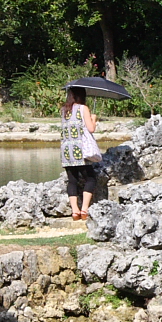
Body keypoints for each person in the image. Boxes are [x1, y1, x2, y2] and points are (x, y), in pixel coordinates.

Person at [61, 86, 98, 221]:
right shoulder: (83, 108)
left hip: (66, 150)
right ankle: (84, 209)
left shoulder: (64, 110)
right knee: (91, 178)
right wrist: (94, 119)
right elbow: (91, 129)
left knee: (72, 180)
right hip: (80, 149)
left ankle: (75, 211)